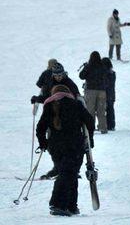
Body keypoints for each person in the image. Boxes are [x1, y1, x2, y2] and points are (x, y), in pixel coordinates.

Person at [36, 85, 95, 216]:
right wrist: (90, 140)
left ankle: (71, 205)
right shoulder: (76, 104)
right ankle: (58, 204)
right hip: (74, 145)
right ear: (68, 93)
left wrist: (43, 143)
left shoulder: (48, 106)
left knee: (69, 173)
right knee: (68, 173)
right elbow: (90, 122)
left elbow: (40, 127)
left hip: (55, 147)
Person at [79, 51, 109, 134]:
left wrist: (85, 68)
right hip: (102, 90)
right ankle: (103, 128)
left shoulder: (89, 66)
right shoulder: (103, 66)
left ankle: (90, 128)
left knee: (90, 110)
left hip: (90, 90)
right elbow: (107, 76)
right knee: (101, 110)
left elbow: (81, 76)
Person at [102, 58, 117, 131]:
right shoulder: (112, 73)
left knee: (103, 110)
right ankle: (111, 125)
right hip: (111, 94)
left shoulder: (104, 74)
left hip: (105, 94)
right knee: (110, 110)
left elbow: (105, 84)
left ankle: (107, 125)